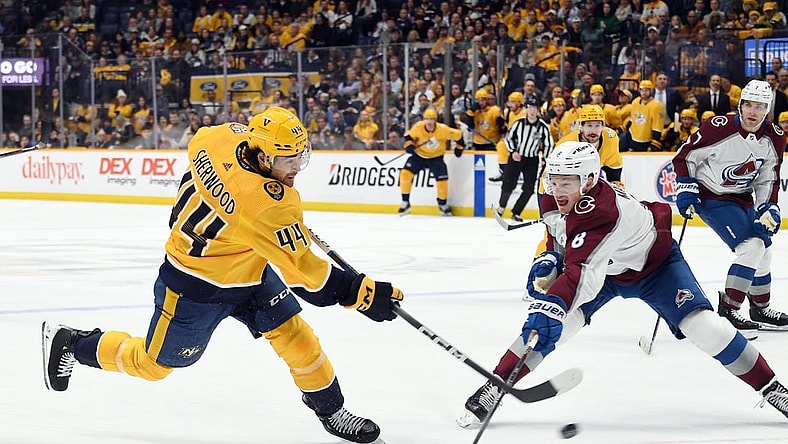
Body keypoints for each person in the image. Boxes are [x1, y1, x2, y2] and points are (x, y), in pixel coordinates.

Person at [42, 107, 404, 444]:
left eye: (300, 156)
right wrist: (364, 294)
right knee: (155, 365)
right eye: (287, 160)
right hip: (196, 283)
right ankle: (74, 343)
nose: (296, 167)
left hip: (248, 268)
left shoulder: (221, 138)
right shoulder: (266, 206)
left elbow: (208, 145)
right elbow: (312, 281)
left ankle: (332, 412)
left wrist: (270, 228)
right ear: (262, 157)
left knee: (296, 337)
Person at [459, 141, 788, 427]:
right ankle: (496, 385)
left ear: (589, 180)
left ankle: (771, 387)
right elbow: (561, 235)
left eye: (566, 183)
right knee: (555, 327)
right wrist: (548, 257)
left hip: (655, 268)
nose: (557, 191)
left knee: (706, 328)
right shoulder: (554, 195)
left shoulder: (602, 211)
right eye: (553, 181)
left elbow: (582, 275)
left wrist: (552, 305)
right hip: (604, 267)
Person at [673, 79, 788, 331]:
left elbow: (769, 176)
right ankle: (728, 310)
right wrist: (686, 187)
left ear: (768, 109)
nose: (752, 112)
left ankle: (760, 309)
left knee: (764, 248)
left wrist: (769, 206)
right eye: (748, 105)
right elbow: (685, 156)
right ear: (741, 105)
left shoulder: (775, 138)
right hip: (711, 195)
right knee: (752, 246)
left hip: (741, 196)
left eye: (759, 107)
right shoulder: (718, 126)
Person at [397, 107, 465, 217]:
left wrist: (459, 147)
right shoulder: (418, 127)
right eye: (427, 119)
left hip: (436, 158)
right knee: (405, 174)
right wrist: (409, 145)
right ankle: (405, 202)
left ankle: (442, 204)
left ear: (435, 120)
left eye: (431, 119)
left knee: (442, 182)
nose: (429, 122)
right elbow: (408, 136)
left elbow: (458, 135)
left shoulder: (443, 129)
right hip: (419, 156)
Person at [496, 95, 554, 222]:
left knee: (528, 189)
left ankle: (516, 212)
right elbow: (509, 138)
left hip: (532, 160)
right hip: (517, 157)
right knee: (508, 184)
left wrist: (545, 158)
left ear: (538, 110)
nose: (532, 110)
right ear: (526, 109)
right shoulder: (518, 123)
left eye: (534, 107)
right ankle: (501, 207)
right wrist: (513, 151)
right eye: (529, 107)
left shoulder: (543, 127)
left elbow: (549, 144)